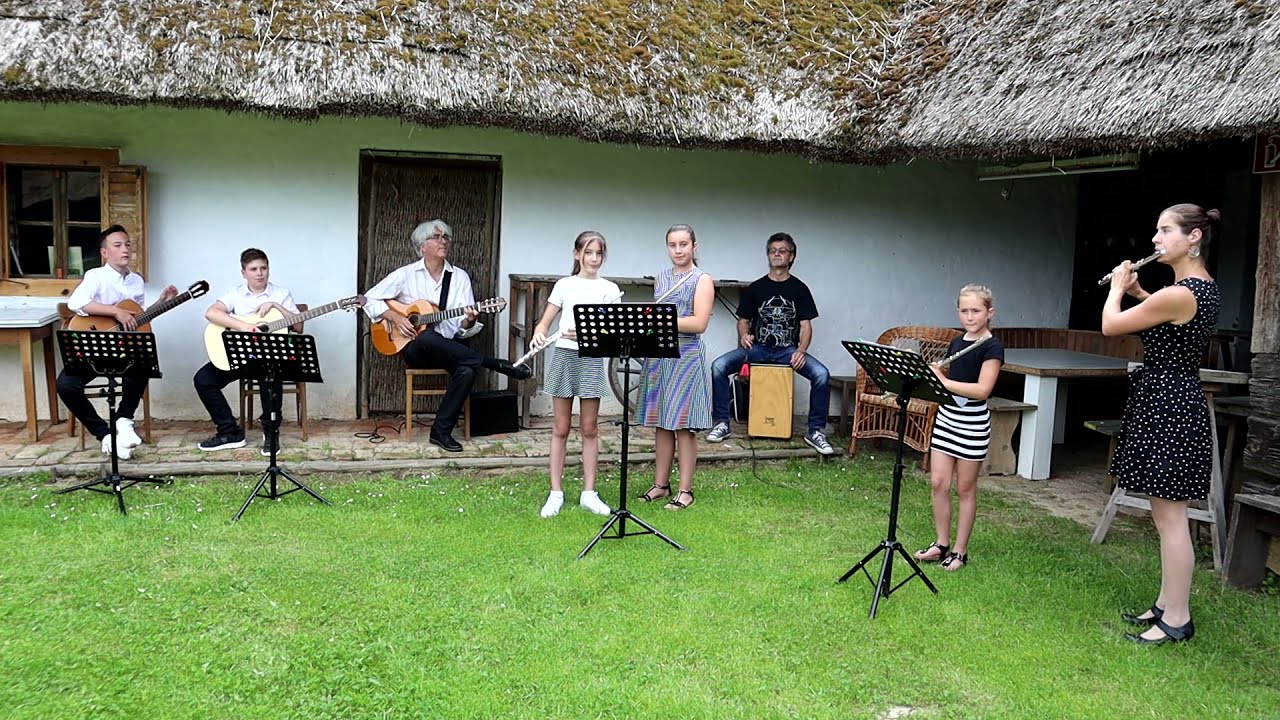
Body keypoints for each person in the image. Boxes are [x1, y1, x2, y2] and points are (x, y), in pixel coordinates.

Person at [1103, 204, 1221, 645]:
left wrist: (1117, 289)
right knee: (1163, 514)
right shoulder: (1197, 288)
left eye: (1165, 230)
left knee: (1172, 519)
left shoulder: (1181, 292)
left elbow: (1111, 326)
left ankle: (1177, 619)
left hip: (1169, 405)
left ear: (1193, 238)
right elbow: (1169, 325)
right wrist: (1139, 293)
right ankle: (1165, 603)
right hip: (1171, 399)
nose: (1155, 239)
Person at [362, 219, 531, 452]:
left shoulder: (459, 277)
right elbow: (368, 299)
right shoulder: (406, 274)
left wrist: (469, 320)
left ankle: (440, 432)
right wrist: (395, 317)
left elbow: (462, 330)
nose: (443, 241)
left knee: (467, 371)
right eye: (437, 237)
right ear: (422, 246)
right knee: (425, 337)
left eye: (446, 237)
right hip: (417, 350)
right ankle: (495, 364)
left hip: (451, 348)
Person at [56, 225, 178, 460]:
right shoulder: (96, 276)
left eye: (128, 244)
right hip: (93, 349)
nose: (125, 249)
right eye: (118, 245)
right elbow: (76, 303)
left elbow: (137, 318)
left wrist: (160, 303)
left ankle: (124, 419)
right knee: (66, 385)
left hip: (122, 351)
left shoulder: (136, 281)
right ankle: (105, 435)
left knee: (143, 364)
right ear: (105, 253)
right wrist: (115, 311)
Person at [706, 232, 834, 455]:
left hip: (788, 351)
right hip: (757, 349)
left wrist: (801, 350)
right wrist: (744, 336)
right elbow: (743, 321)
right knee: (719, 366)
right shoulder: (756, 288)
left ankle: (815, 431)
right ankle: (722, 423)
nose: (776, 254)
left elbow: (806, 326)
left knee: (822, 375)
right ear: (768, 255)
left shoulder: (800, 289)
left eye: (782, 251)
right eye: (772, 251)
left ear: (791, 256)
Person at [914, 284, 1005, 572]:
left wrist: (943, 380)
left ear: (990, 313)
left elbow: (982, 389)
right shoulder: (956, 343)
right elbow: (954, 383)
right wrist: (935, 377)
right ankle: (941, 544)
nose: (969, 316)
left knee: (965, 488)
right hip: (947, 419)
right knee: (938, 483)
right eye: (964, 311)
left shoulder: (992, 347)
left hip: (972, 424)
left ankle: (960, 551)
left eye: (976, 311)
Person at [530, 231, 621, 518]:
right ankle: (555, 493)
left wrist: (586, 335)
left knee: (590, 428)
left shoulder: (609, 289)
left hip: (591, 359)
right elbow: (544, 323)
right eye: (588, 252)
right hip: (564, 356)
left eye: (599, 253)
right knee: (560, 428)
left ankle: (589, 493)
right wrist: (539, 334)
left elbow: (613, 334)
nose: (594, 258)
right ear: (577, 254)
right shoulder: (564, 285)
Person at [634, 224, 714, 511]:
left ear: (694, 246)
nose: (678, 250)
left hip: (685, 354)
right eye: (672, 245)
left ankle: (685, 491)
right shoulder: (662, 277)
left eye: (683, 244)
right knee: (662, 422)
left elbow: (699, 323)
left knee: (683, 424)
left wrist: (661, 320)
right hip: (660, 354)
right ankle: (661, 484)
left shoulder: (701, 279)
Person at [194, 248, 302, 455]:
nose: (260, 273)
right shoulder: (235, 294)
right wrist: (244, 326)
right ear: (244, 273)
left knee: (270, 375)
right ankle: (229, 432)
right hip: (242, 357)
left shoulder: (281, 294)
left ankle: (271, 432)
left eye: (263, 268)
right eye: (253, 269)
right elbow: (211, 313)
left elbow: (298, 327)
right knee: (203, 379)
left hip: (270, 357)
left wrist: (276, 306)